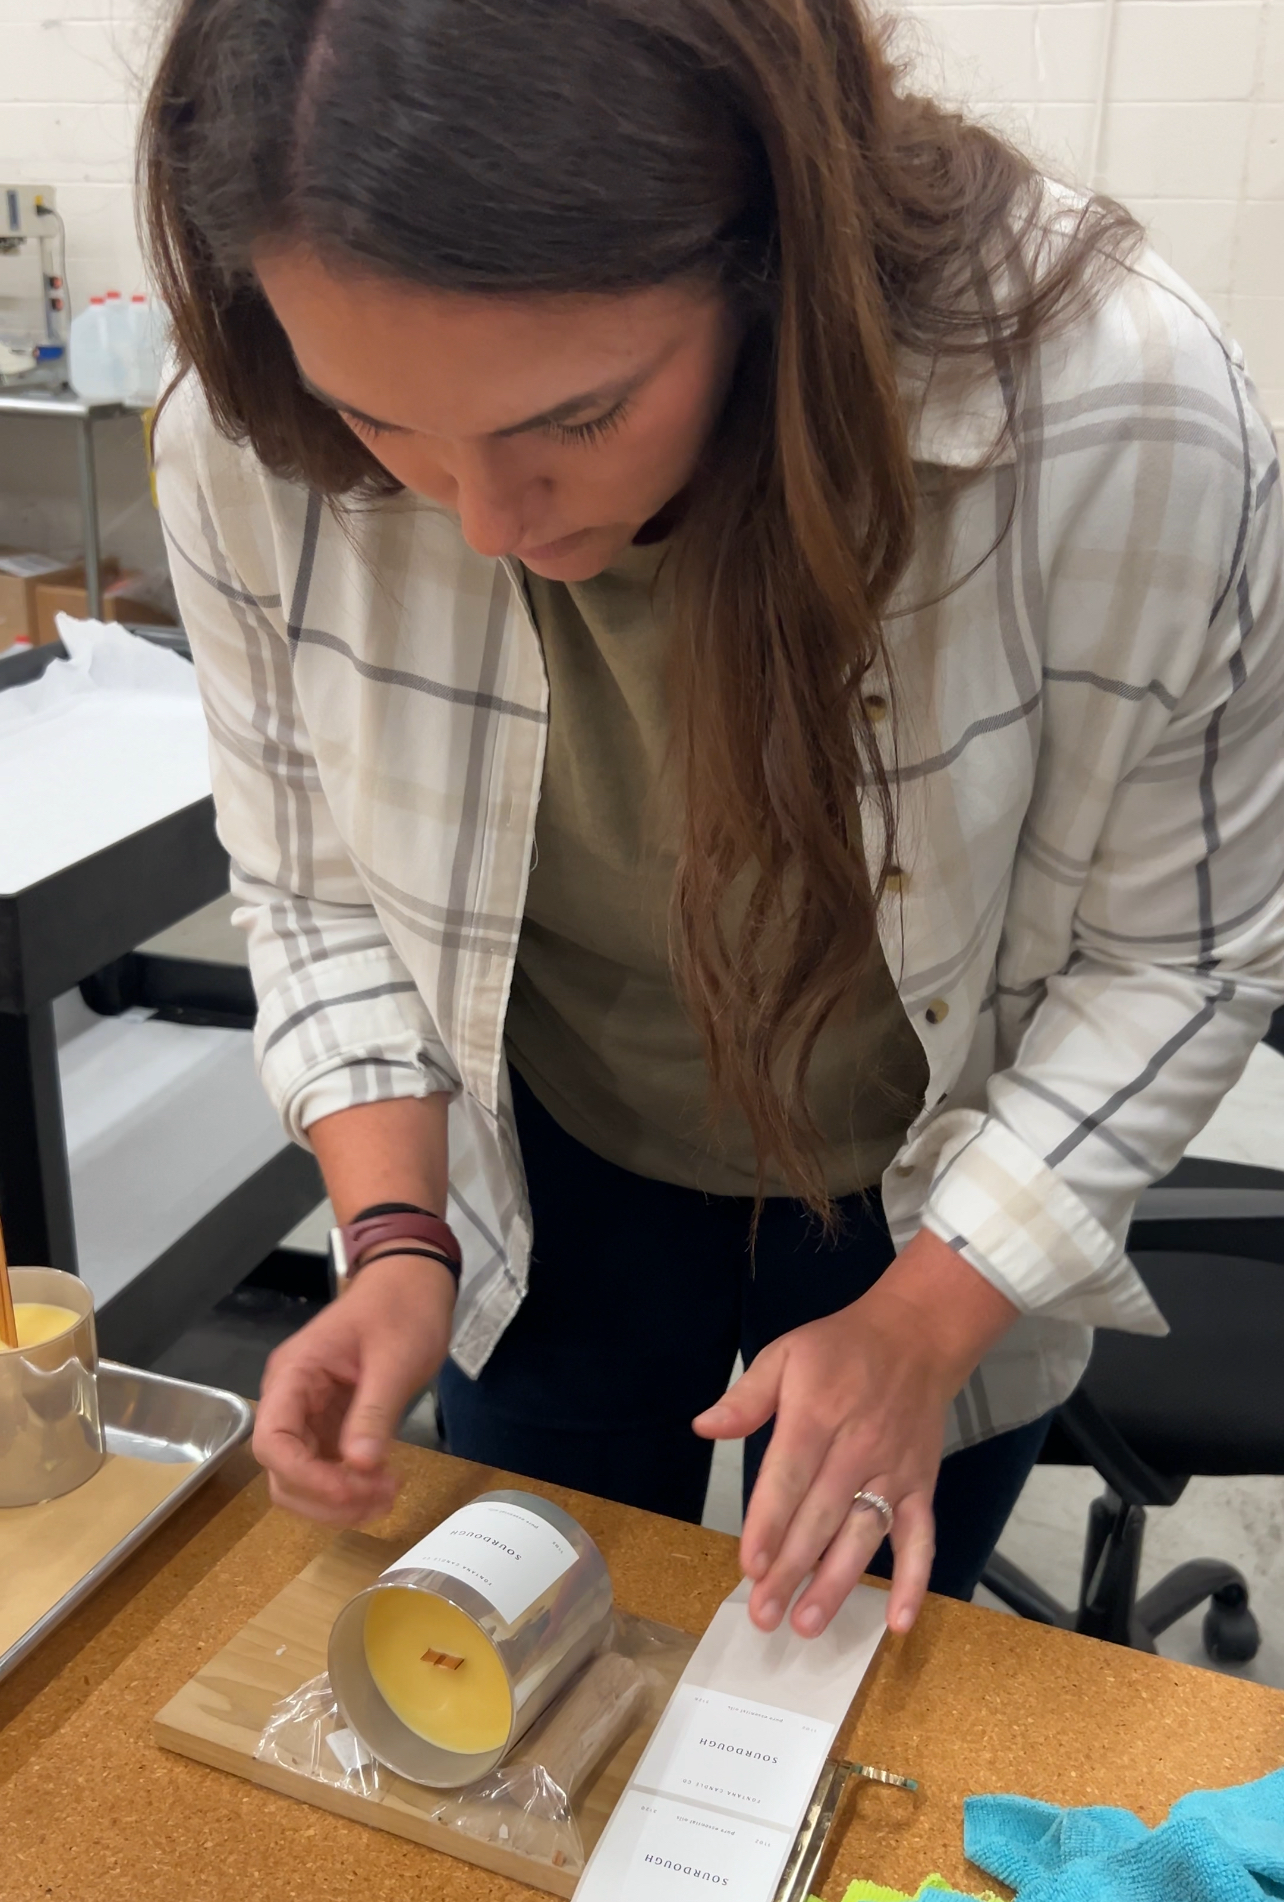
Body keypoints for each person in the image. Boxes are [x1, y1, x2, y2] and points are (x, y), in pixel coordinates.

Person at [143, 0, 1284, 1643]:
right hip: (551, 1169)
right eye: (389, 425)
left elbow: (1180, 955)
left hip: (926, 1180)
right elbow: (317, 883)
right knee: (514, 1649)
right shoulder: (253, 425)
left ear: (774, 247)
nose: (486, 520)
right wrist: (395, 1233)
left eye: (576, 416)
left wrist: (921, 1324)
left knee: (826, 1703)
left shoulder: (1123, 418)